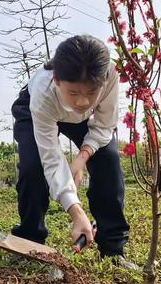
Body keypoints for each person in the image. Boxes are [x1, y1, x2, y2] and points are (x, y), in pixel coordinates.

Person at [11, 34, 135, 269]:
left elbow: (104, 125)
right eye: (74, 93)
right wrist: (77, 213)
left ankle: (112, 248)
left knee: (108, 162)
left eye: (90, 93)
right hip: (38, 111)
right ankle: (30, 240)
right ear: (57, 80)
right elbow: (52, 159)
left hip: (86, 122)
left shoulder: (109, 74)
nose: (81, 102)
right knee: (33, 167)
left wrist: (81, 159)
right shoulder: (43, 92)